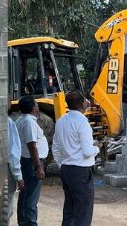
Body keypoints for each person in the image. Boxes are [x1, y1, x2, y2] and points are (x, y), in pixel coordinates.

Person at [52, 91, 102, 226]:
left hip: (66, 170)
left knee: (70, 210)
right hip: (80, 171)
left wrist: (62, 165)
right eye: (85, 100)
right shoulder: (82, 122)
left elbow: (55, 148)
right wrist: (97, 147)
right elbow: (87, 151)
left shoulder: (61, 121)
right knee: (83, 212)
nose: (87, 102)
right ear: (82, 104)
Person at [15, 95, 48, 226]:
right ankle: (30, 223)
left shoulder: (20, 120)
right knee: (31, 198)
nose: (38, 105)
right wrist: (39, 167)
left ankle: (23, 222)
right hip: (32, 163)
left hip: (27, 161)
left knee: (25, 195)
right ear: (33, 107)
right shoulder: (29, 122)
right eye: (36, 103)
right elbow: (32, 146)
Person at [7, 117, 24, 222]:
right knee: (5, 207)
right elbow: (13, 153)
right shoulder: (7, 122)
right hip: (4, 169)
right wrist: (18, 176)